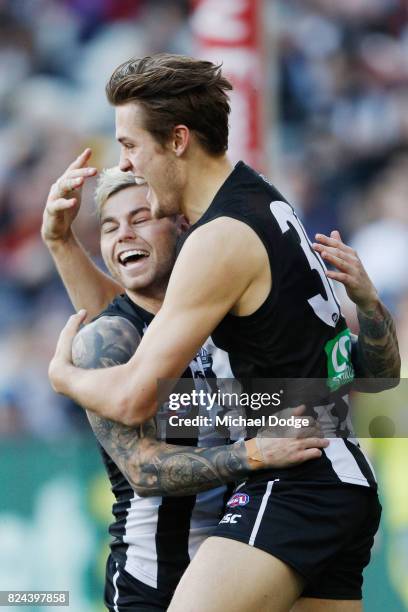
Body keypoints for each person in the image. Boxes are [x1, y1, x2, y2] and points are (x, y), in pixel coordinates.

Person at [48, 55, 401, 611]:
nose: (128, 164)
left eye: (131, 145)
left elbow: (135, 393)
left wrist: (63, 377)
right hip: (333, 474)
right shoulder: (259, 196)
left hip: (296, 483)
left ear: (179, 140)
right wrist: (63, 245)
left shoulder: (219, 240)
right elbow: (134, 317)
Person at [42, 160, 327, 611]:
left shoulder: (223, 318)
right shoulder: (107, 339)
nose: (124, 236)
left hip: (243, 568)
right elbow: (141, 470)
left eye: (140, 219)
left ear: (182, 227)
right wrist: (255, 453)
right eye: (110, 227)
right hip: (153, 585)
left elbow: (353, 373)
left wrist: (370, 312)